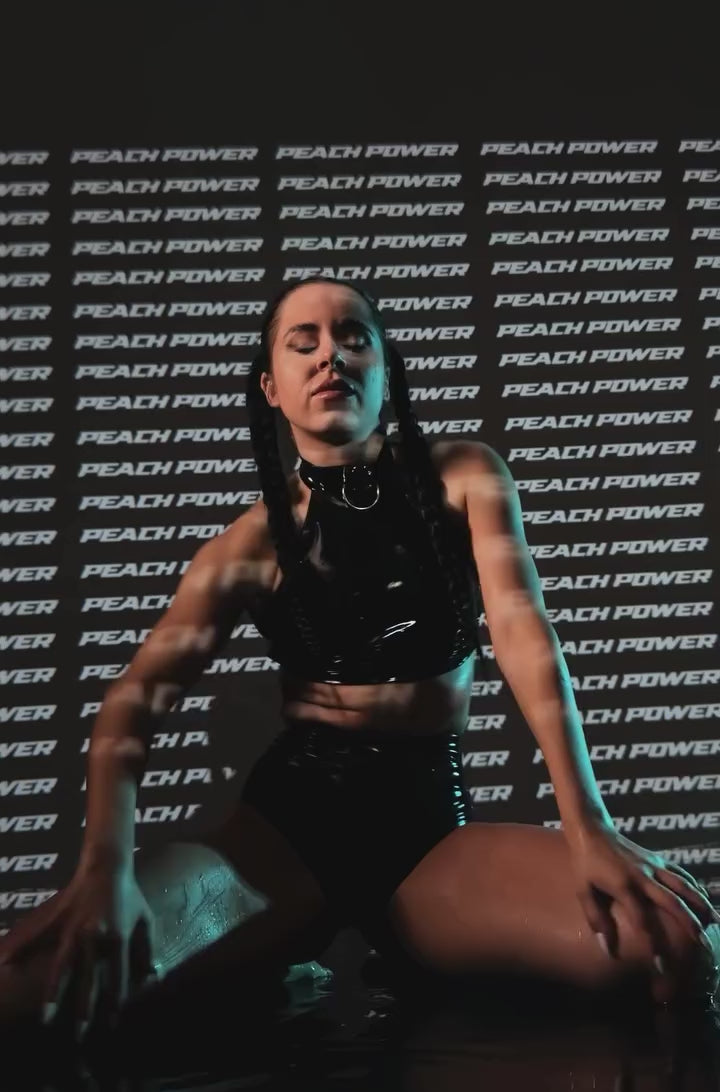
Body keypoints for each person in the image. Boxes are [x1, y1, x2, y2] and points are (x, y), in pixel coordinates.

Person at [0, 276, 717, 1041]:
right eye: (302, 343)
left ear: (385, 369)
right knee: (28, 992)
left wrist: (589, 827)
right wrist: (104, 871)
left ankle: (400, 952)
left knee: (673, 947)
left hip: (429, 841)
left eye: (353, 337)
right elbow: (132, 701)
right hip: (284, 840)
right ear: (272, 387)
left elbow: (524, 638)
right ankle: (273, 951)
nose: (329, 356)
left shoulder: (465, 476)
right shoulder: (246, 547)